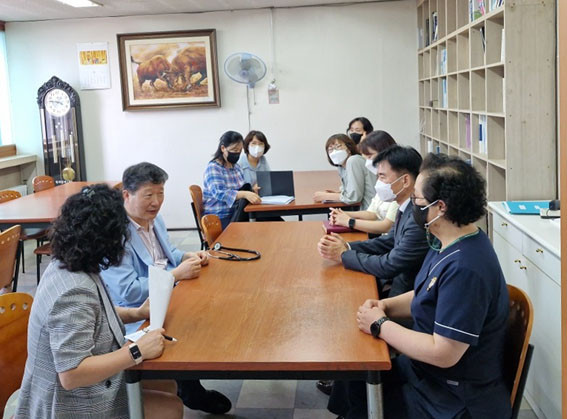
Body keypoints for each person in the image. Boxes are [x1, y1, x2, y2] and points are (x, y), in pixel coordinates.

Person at [330, 154, 512, 419]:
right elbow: (427, 292)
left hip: (451, 396)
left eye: (416, 200)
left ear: (440, 207)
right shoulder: (446, 240)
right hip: (425, 373)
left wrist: (380, 324)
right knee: (354, 377)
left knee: (363, 393)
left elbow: (444, 353)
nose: (412, 205)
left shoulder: (466, 267)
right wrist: (385, 305)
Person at [16, 184, 182, 419]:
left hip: (82, 389)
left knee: (167, 383)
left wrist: (136, 313)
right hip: (68, 406)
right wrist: (136, 351)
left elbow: (92, 314)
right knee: (170, 408)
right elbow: (71, 373)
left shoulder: (69, 262)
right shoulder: (73, 291)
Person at [101, 162, 232, 415]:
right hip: (135, 312)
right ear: (126, 195)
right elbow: (127, 291)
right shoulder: (115, 233)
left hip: (168, 295)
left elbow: (167, 253)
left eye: (160, 193)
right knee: (187, 323)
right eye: (148, 195)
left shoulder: (154, 219)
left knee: (208, 312)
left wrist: (187, 256)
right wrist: (174, 276)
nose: (156, 202)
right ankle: (189, 388)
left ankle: (188, 384)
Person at [317, 145, 429, 298]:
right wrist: (347, 246)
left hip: (404, 296)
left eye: (382, 177)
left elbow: (389, 265)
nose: (378, 183)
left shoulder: (418, 217)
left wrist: (343, 255)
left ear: (405, 180)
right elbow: (389, 241)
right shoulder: (405, 206)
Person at [329, 130, 398, 235]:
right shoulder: (381, 180)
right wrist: (343, 214)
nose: (367, 162)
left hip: (385, 237)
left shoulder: (398, 182)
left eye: (369, 156)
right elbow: (372, 213)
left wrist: (349, 221)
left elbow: (387, 226)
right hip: (380, 235)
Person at [203, 130, 261, 229]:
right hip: (219, 217)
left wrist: (251, 191)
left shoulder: (237, 167)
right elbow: (219, 192)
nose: (237, 153)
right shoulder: (214, 167)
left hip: (237, 213)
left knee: (272, 220)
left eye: (239, 151)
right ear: (223, 148)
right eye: (234, 150)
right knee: (257, 229)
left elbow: (240, 190)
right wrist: (245, 194)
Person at [313, 134, 375, 211]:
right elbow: (348, 191)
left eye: (338, 146)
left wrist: (326, 196)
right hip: (364, 210)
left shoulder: (353, 160)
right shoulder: (341, 166)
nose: (334, 152)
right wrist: (335, 193)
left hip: (372, 212)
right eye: (330, 149)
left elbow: (353, 198)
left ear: (349, 149)